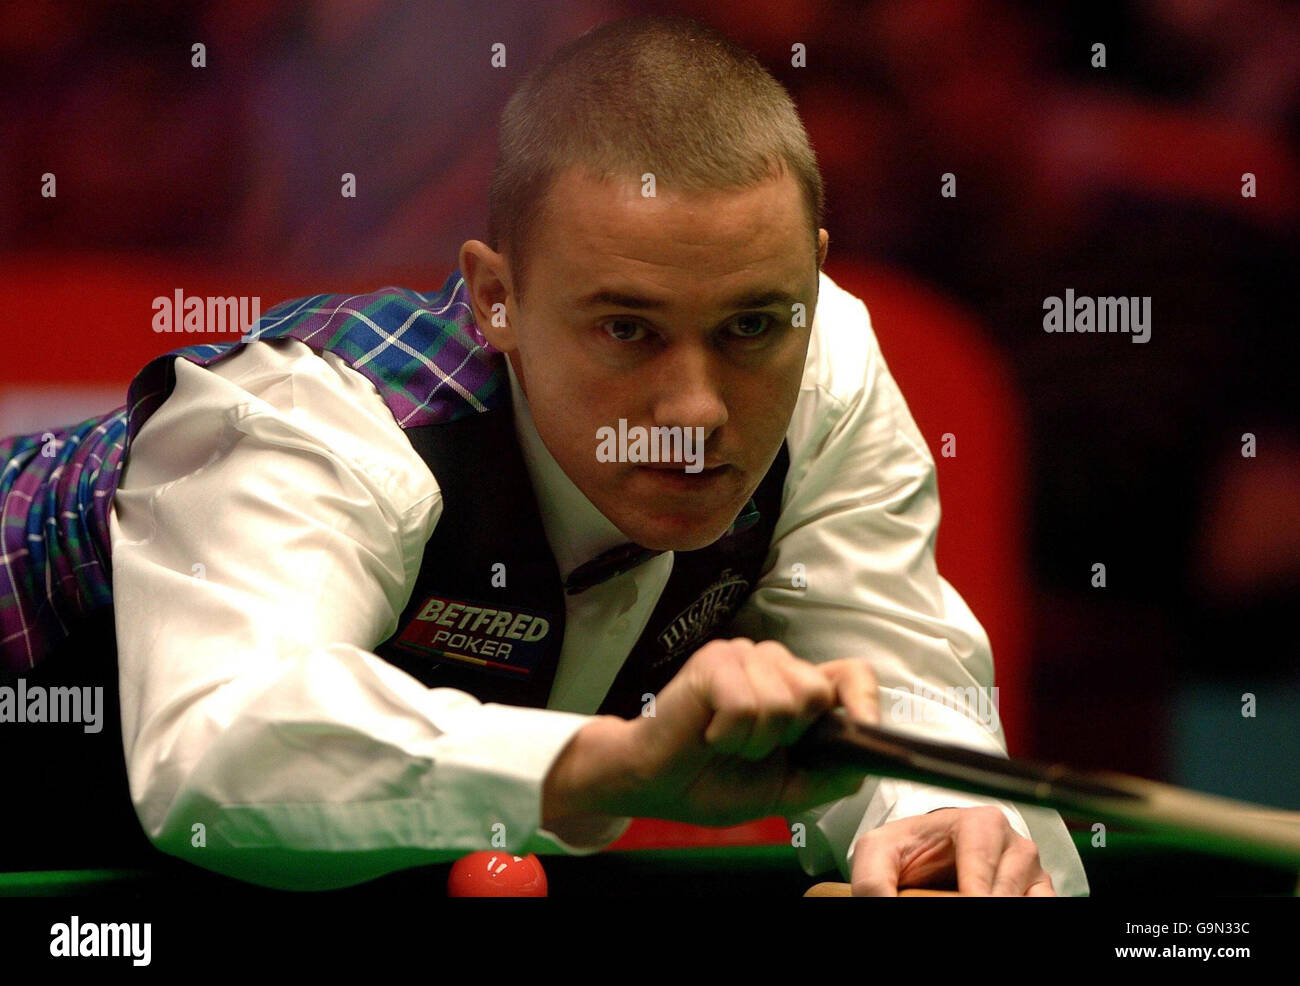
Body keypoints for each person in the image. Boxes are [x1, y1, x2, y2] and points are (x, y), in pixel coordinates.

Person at [0, 15, 1087, 896]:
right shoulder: (316, 424)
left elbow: (905, 684)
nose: (697, 408)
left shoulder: (826, 371)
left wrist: (947, 833)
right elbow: (221, 746)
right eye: (626, 329)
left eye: (754, 324)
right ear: (496, 298)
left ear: (810, 274)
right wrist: (617, 762)